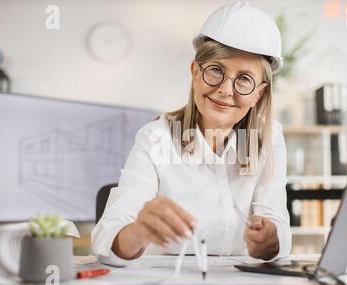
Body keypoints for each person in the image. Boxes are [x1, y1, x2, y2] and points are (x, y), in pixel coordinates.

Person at [91, 2, 291, 266]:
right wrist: (138, 231)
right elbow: (107, 237)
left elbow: (278, 227)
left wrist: (271, 240)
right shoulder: (156, 137)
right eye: (216, 70)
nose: (225, 90)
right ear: (196, 73)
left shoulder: (270, 137)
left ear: (259, 93)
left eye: (244, 79)